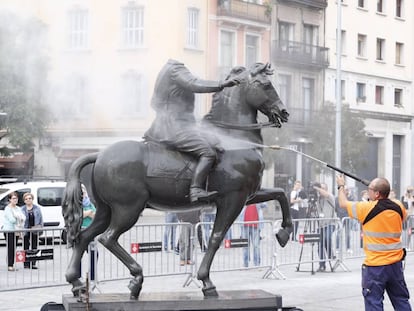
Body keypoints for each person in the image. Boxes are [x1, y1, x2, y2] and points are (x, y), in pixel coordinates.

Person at [144, 59, 239, 203]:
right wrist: (222, 84)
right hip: (174, 128)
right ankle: (196, 189)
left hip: (175, 125)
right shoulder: (175, 69)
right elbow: (194, 83)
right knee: (207, 153)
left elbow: (155, 104)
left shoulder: (167, 72)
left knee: (215, 141)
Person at [336, 175, 411, 311]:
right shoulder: (399, 206)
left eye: (369, 189)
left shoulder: (366, 208)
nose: (367, 191)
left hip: (376, 267)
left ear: (376, 194)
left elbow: (342, 203)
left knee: (374, 303)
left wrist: (341, 186)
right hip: (395, 265)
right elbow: (401, 215)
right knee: (401, 301)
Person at [313, 183, 336, 272]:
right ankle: (322, 265)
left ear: (326, 189)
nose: (319, 191)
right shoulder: (318, 200)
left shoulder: (330, 197)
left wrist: (316, 188)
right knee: (320, 245)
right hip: (321, 225)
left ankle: (330, 254)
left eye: (322, 189)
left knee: (327, 237)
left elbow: (325, 194)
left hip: (330, 223)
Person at [78, 184, 97, 281]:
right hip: (80, 232)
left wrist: (88, 213)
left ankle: (92, 276)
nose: (83, 192)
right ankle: (77, 277)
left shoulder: (89, 203)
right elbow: (79, 215)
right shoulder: (76, 203)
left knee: (94, 254)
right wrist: (88, 213)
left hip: (90, 231)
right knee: (78, 254)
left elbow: (95, 216)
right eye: (81, 190)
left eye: (84, 189)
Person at [3, 192, 26, 271]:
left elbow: (24, 218)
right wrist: (19, 218)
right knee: (11, 247)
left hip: (17, 230)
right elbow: (12, 220)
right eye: (13, 198)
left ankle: (10, 263)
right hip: (9, 230)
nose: (15, 200)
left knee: (14, 247)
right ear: (9, 200)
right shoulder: (7, 208)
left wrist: (19, 218)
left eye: (16, 198)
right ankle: (10, 265)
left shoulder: (18, 208)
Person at [239, 202, 266, 267]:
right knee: (245, 245)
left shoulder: (258, 194)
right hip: (244, 223)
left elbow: (265, 205)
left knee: (256, 245)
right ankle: (245, 263)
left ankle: (256, 263)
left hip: (256, 224)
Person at [21, 192, 43, 269]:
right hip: (26, 229)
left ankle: (33, 263)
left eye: (30, 198)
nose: (28, 200)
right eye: (26, 199)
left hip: (35, 229)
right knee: (26, 247)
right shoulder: (22, 209)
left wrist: (41, 229)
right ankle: (26, 263)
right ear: (24, 201)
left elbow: (41, 219)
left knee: (34, 246)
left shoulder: (37, 208)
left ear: (32, 199)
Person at [335, 186, 354, 254]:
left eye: (347, 190)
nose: (347, 191)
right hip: (340, 217)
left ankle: (348, 248)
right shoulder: (337, 198)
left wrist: (349, 196)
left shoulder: (350, 198)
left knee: (348, 234)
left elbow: (352, 206)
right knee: (338, 233)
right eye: (346, 190)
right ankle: (337, 248)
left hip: (347, 217)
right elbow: (336, 208)